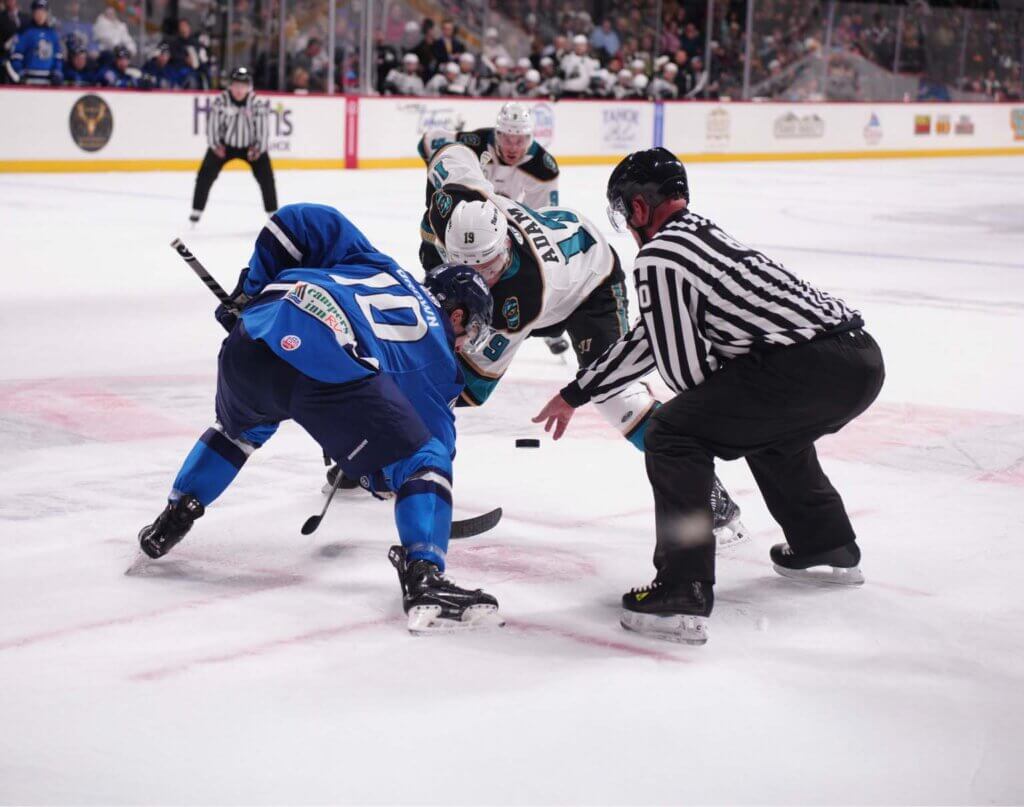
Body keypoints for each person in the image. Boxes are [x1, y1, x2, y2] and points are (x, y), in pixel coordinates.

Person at [534, 148, 885, 645]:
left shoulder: (659, 255)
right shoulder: (701, 234)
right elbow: (650, 338)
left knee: (674, 435)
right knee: (772, 433)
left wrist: (697, 414)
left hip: (807, 365)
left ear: (639, 208)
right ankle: (825, 545)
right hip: (859, 359)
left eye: (625, 211)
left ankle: (683, 588)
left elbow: (679, 366)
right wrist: (577, 392)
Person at [135, 203, 503, 634]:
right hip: (321, 362)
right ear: (457, 315)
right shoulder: (440, 358)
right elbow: (424, 458)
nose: (464, 343)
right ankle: (425, 578)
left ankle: (174, 515)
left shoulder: (376, 264)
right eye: (471, 330)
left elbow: (300, 221)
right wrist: (379, 479)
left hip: (251, 339)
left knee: (239, 431)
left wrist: (249, 292)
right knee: (426, 457)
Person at [419, 141, 746, 549]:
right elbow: (451, 153)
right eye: (465, 266)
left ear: (503, 245)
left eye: (486, 267)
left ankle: (708, 493)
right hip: (560, 231)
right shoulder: (454, 203)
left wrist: (402, 405)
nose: (478, 278)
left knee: (615, 395)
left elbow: (471, 388)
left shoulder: (524, 296)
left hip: (589, 285)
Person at [190, 67, 276, 225]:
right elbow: (212, 126)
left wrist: (258, 148)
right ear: (230, 85)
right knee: (205, 175)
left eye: (243, 86)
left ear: (249, 87)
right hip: (224, 146)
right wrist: (216, 146)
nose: (239, 89)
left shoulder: (256, 103)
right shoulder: (220, 101)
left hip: (251, 147)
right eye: (236, 85)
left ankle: (273, 214)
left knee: (266, 177)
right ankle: (196, 210)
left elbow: (263, 130)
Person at [9, 0, 62, 85]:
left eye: (43, 12)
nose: (40, 15)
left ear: (47, 14)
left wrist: (57, 72)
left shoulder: (52, 34)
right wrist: (19, 72)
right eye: (38, 12)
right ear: (33, 13)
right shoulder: (25, 33)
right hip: (29, 80)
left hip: (48, 81)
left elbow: (58, 57)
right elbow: (16, 56)